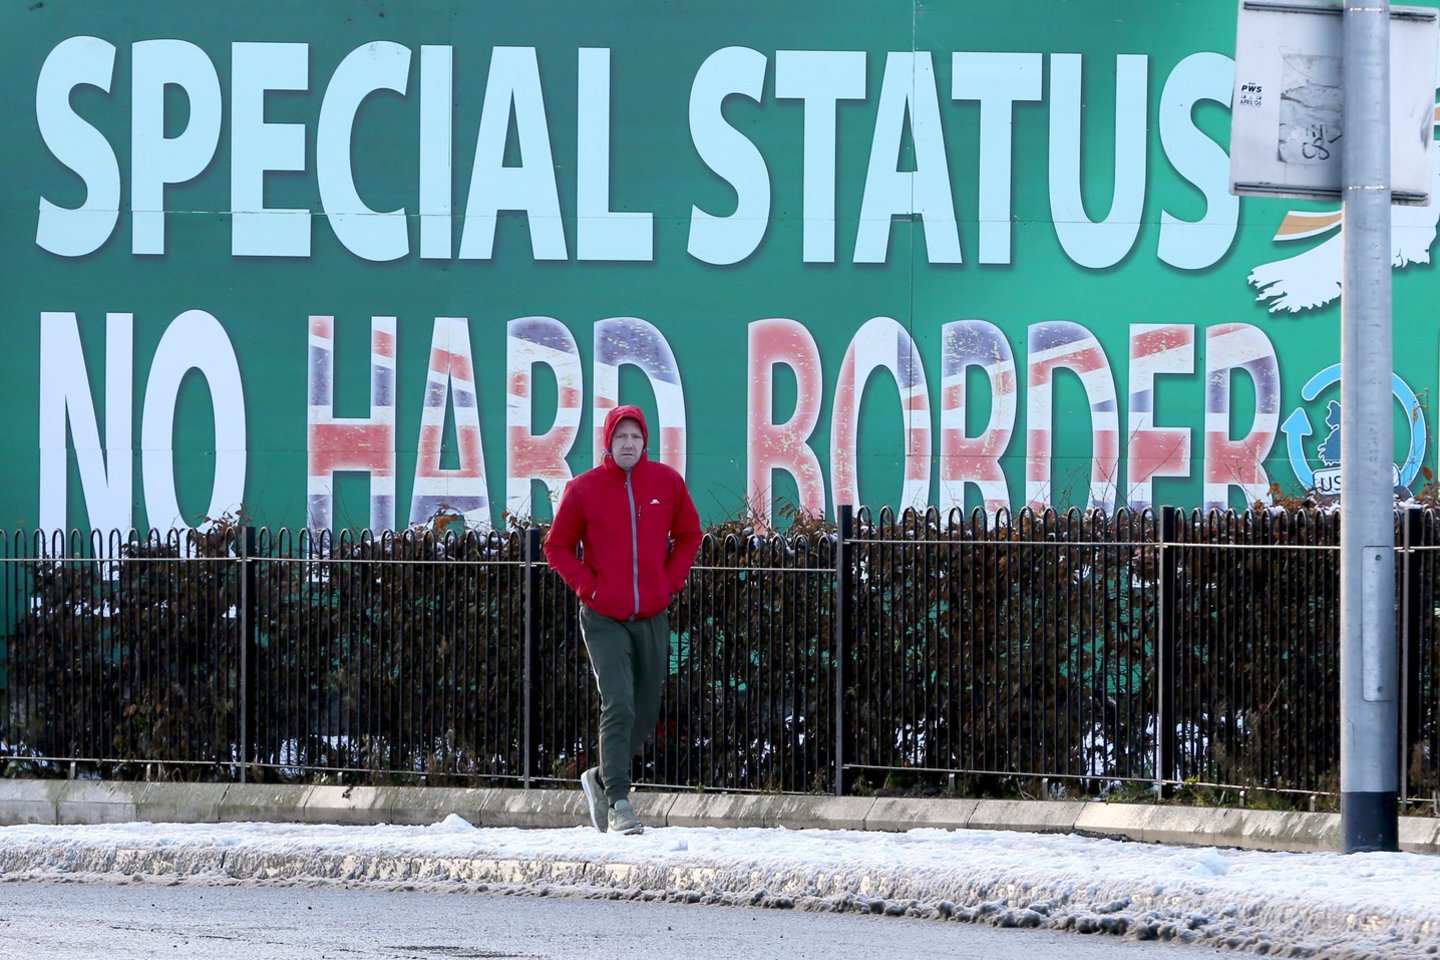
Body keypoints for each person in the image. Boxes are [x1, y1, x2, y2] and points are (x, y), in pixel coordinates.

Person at [543, 404, 702, 835]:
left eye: (635, 436)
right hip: (603, 617)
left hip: (651, 614)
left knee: (645, 711)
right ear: (608, 443)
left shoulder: (666, 482)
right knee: (618, 703)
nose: (628, 444)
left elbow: (690, 534)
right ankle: (618, 801)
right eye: (620, 437)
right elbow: (556, 547)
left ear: (644, 441)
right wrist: (589, 588)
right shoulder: (584, 489)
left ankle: (599, 776)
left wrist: (668, 583)